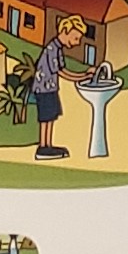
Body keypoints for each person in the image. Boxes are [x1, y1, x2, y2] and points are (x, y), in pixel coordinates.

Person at [29, 12, 86, 159]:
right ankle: (43, 147)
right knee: (46, 117)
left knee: (51, 116)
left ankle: (47, 145)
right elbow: (62, 72)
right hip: (44, 89)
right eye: (75, 38)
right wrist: (83, 76)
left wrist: (83, 75)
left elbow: (62, 69)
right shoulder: (52, 49)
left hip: (50, 88)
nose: (77, 42)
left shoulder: (58, 48)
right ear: (65, 31)